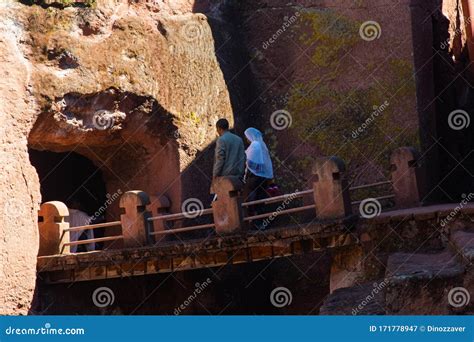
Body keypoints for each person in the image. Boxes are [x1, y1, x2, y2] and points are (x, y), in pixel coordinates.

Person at [243, 127, 274, 227]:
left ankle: (255, 222)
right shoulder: (262, 144)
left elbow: (252, 163)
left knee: (252, 200)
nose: (246, 139)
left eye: (247, 137)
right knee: (261, 199)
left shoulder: (255, 145)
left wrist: (246, 160)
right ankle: (263, 223)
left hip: (255, 177)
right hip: (264, 178)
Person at [212, 118, 246, 192]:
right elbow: (243, 158)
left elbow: (220, 159)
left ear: (219, 128)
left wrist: (215, 174)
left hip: (225, 177)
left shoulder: (221, 140)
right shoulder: (239, 139)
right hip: (238, 177)